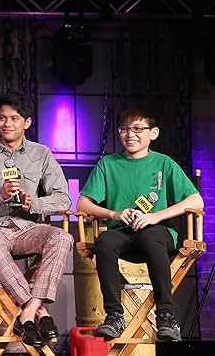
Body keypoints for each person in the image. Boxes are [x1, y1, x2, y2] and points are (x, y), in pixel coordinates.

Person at [77, 105, 203, 342]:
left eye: (138, 128)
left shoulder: (164, 163)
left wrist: (155, 216)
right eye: (124, 129)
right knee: (104, 240)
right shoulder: (108, 164)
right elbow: (83, 204)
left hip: (158, 233)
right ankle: (114, 316)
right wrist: (114, 214)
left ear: (153, 133)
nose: (130, 134)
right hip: (122, 234)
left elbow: (196, 199)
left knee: (150, 235)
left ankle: (166, 315)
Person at [0, 92, 73, 347]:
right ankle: (40, 313)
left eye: (14, 118)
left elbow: (63, 199)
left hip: (26, 228)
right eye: (2, 118)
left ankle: (27, 312)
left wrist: (33, 203)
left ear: (27, 122)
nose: (7, 124)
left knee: (62, 237)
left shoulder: (41, 154)